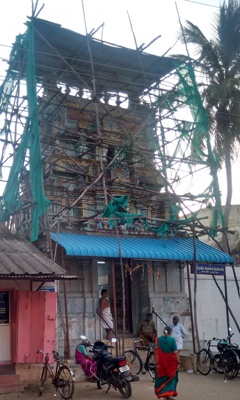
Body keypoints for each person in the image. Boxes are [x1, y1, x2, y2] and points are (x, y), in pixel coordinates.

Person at [154, 326, 180, 400]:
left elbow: (155, 352)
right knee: (171, 378)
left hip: (161, 364)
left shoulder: (158, 339)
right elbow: (175, 352)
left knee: (162, 379)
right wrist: (178, 362)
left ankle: (166, 396)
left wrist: (156, 361)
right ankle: (168, 395)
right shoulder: (172, 340)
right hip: (171, 364)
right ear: (171, 332)